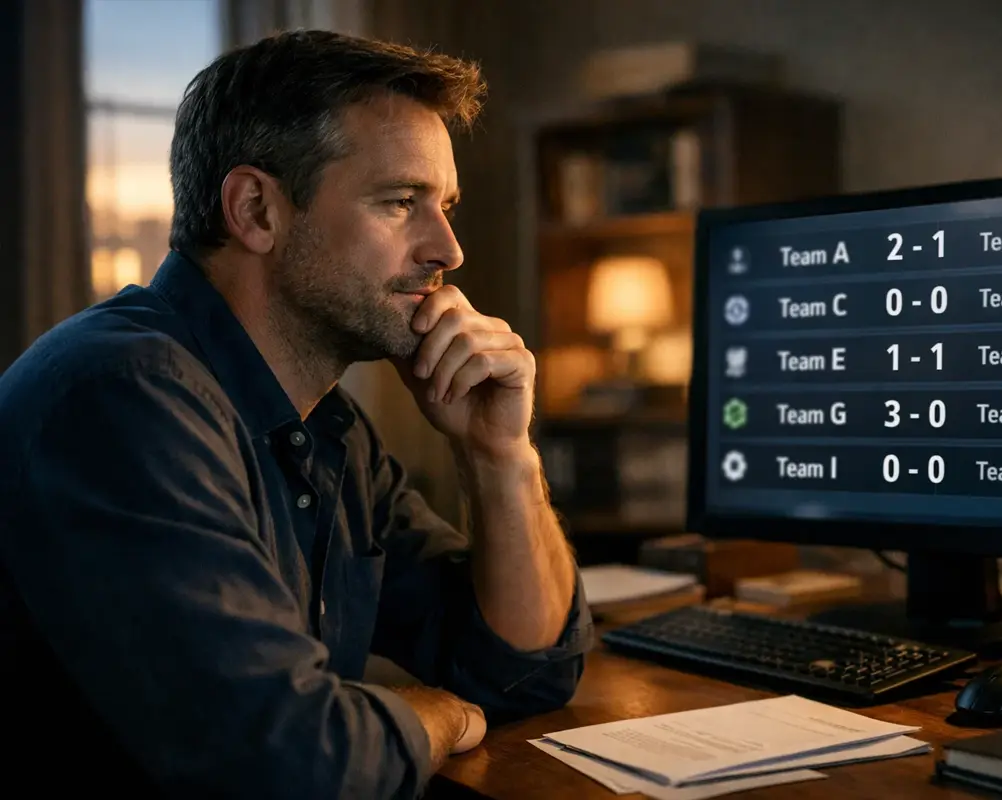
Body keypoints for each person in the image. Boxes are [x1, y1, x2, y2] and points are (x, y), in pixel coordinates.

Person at [0, 29, 591, 798]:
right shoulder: (124, 395)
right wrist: (436, 716)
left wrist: (500, 455)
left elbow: (522, 670)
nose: (448, 249)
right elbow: (289, 764)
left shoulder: (324, 428)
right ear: (256, 211)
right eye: (401, 202)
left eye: (443, 206)